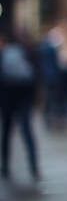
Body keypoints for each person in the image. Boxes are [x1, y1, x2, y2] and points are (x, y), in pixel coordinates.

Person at [0, 32, 40, 180]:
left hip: (7, 98)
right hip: (24, 97)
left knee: (6, 132)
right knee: (27, 131)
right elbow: (35, 75)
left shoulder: (4, 54)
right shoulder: (26, 51)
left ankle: (4, 166)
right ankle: (34, 166)